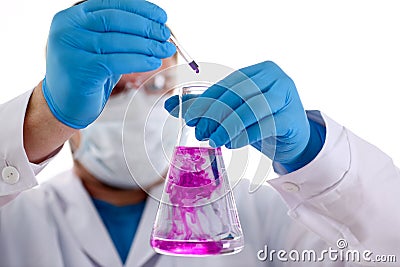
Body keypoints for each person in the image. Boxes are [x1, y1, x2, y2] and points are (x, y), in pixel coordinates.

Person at [0, 0, 399, 266]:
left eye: (154, 86)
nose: (135, 104)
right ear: (71, 100)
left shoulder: (264, 214)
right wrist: (39, 119)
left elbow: (387, 251)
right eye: (115, 89)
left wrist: (315, 158)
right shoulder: (16, 222)